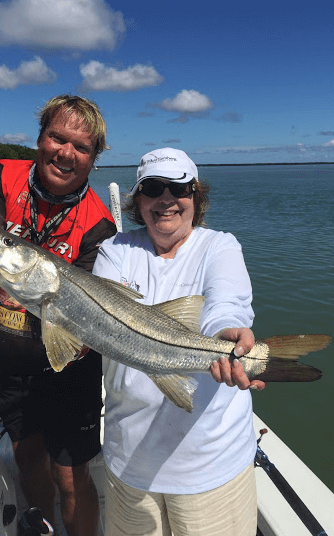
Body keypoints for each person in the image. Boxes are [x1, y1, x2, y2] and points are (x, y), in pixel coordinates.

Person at [0, 95, 117, 536]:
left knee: (71, 476)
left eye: (81, 148)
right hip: (9, 363)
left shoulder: (101, 226)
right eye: (56, 138)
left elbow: (80, 314)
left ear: (94, 158)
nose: (66, 153)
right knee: (27, 456)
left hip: (69, 368)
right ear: (40, 137)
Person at [92, 148, 265, 536]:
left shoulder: (220, 246)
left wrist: (226, 335)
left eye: (179, 188)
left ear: (195, 197)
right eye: (153, 188)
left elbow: (227, 302)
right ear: (138, 200)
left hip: (211, 465)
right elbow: (108, 318)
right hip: (129, 462)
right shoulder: (115, 250)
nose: (166, 198)